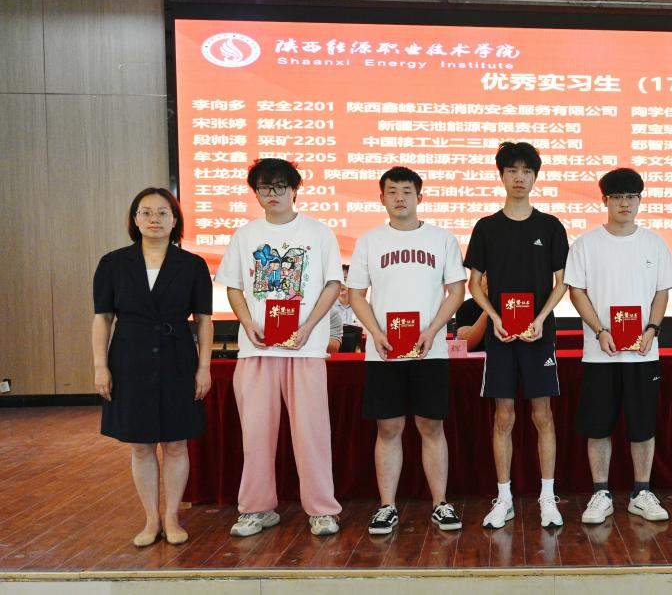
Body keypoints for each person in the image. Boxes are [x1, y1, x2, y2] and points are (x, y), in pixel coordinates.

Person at [217, 158, 343, 537]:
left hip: (305, 349)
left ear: (294, 189)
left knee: (312, 435)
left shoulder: (319, 233)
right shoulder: (245, 235)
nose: (272, 194)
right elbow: (234, 286)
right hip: (257, 350)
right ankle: (256, 509)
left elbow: (332, 285)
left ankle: (322, 510)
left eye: (279, 186)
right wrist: (248, 323)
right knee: (255, 435)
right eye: (264, 187)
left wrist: (308, 327)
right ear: (256, 193)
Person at [347, 166, 467, 534]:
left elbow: (457, 291)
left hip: (429, 349)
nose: (400, 197)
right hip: (384, 350)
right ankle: (387, 506)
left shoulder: (441, 239)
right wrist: (375, 332)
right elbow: (356, 294)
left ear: (420, 196)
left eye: (407, 191)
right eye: (392, 191)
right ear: (382, 197)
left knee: (431, 425)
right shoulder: (369, 241)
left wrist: (433, 330)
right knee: (389, 427)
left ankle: (441, 504)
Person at [92, 188, 213, 547]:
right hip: (129, 360)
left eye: (162, 212)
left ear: (175, 220)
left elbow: (204, 321)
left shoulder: (192, 265)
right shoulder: (113, 263)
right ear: (135, 219)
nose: (154, 219)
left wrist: (204, 367)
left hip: (178, 359)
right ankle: (150, 519)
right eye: (145, 212)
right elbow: (102, 318)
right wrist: (100, 366)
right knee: (141, 445)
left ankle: (172, 517)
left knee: (176, 443)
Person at [465, 142, 570, 529]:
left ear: (535, 177)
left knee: (543, 414)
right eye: (512, 170)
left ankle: (547, 497)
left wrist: (541, 318)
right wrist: (494, 317)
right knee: (504, 416)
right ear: (502, 176)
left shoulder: (550, 226)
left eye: (527, 171)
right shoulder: (486, 227)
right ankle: (504, 497)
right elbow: (474, 284)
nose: (519, 177)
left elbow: (562, 283)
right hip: (501, 336)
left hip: (539, 334)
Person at [566, 168, 672, 525]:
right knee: (598, 426)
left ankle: (641, 492)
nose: (625, 203)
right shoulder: (586, 244)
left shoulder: (654, 244)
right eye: (617, 197)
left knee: (642, 425)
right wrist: (599, 329)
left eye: (631, 196)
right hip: (600, 352)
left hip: (643, 352)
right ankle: (601, 493)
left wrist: (653, 328)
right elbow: (576, 291)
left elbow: (662, 292)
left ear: (639, 200)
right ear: (605, 200)